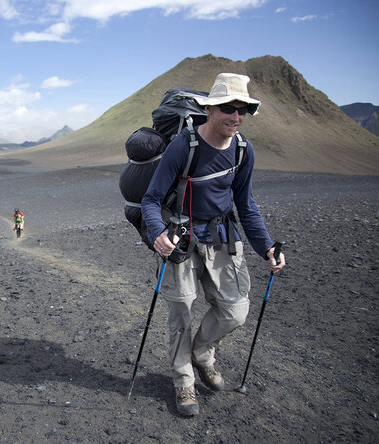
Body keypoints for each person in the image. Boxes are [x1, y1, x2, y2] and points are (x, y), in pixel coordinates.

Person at [140, 73, 286, 416]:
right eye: (228, 109)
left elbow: (246, 205)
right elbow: (151, 199)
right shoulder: (184, 146)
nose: (236, 117)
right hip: (182, 239)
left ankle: (201, 354)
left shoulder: (242, 149)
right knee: (181, 311)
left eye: (243, 110)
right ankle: (183, 381)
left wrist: (266, 247)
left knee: (236, 310)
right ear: (210, 110)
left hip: (222, 239)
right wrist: (159, 232)